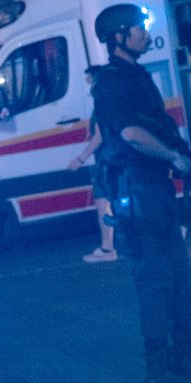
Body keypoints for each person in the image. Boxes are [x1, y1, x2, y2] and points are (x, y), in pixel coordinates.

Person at [90, 4, 191, 383]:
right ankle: (159, 370)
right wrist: (174, 156)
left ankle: (183, 357)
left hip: (153, 190)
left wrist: (182, 158)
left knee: (177, 275)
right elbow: (130, 134)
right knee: (156, 280)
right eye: (138, 29)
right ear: (119, 37)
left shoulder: (134, 75)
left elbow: (152, 125)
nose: (145, 34)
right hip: (138, 192)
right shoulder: (111, 82)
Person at [69, 65, 121, 264]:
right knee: (108, 203)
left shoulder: (101, 103)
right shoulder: (109, 101)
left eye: (89, 81)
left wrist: (80, 159)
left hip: (106, 161)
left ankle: (108, 249)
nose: (87, 86)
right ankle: (107, 246)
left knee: (103, 204)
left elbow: (99, 136)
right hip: (110, 159)